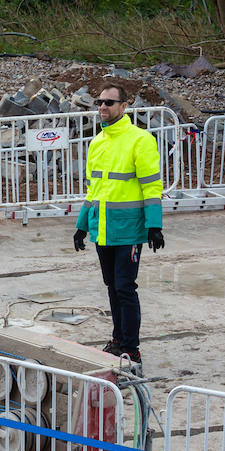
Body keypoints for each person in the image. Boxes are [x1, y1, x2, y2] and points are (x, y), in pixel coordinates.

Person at [73, 83, 164, 366]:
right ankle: (118, 339)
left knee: (125, 287)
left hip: (129, 230)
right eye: (100, 102)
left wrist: (154, 225)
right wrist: (82, 226)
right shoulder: (97, 142)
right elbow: (93, 191)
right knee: (112, 286)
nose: (103, 107)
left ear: (124, 106)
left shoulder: (140, 140)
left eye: (109, 102)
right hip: (103, 230)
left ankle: (131, 348)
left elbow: (152, 186)